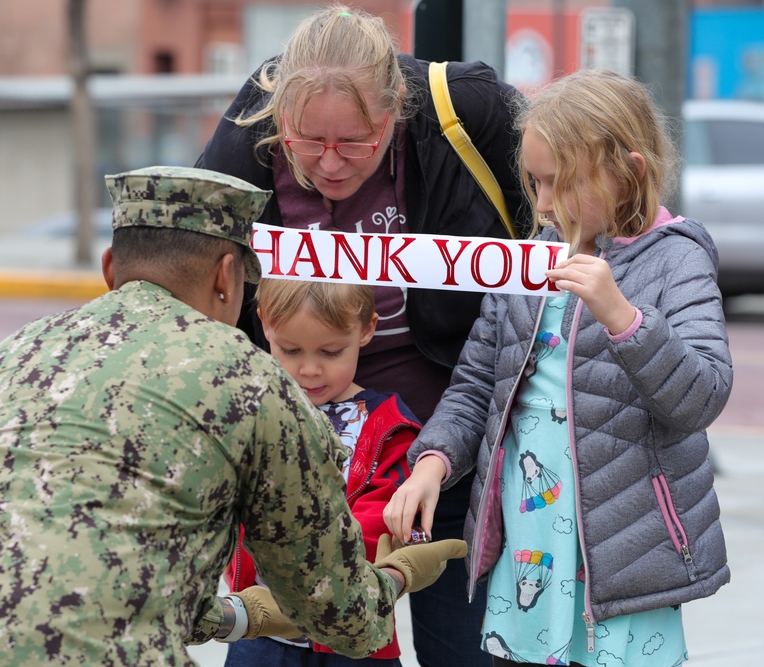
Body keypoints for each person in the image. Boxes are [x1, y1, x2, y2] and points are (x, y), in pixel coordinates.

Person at [0, 166, 466, 666]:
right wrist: (397, 577)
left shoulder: (11, 353)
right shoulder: (249, 380)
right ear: (228, 278)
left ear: (110, 270)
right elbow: (337, 614)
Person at [195, 7, 526, 664]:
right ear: (278, 119)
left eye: (355, 143)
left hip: (439, 453)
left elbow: (553, 204)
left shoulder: (466, 108)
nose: (329, 163)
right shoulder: (247, 135)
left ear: (394, 112)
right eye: (307, 141)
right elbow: (197, 282)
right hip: (305, 463)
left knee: (466, 651)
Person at [383, 69, 733, 666]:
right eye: (535, 183)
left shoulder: (678, 258)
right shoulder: (534, 255)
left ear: (629, 171)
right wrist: (432, 462)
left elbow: (702, 396)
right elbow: (474, 387)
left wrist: (624, 317)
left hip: (626, 555)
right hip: (530, 542)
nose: (543, 205)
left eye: (561, 184)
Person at [224, 278, 420, 666]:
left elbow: (380, 520)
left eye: (330, 352)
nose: (310, 369)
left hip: (356, 633)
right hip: (262, 629)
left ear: (366, 330)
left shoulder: (388, 426)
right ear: (264, 324)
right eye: (290, 350)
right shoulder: (249, 409)